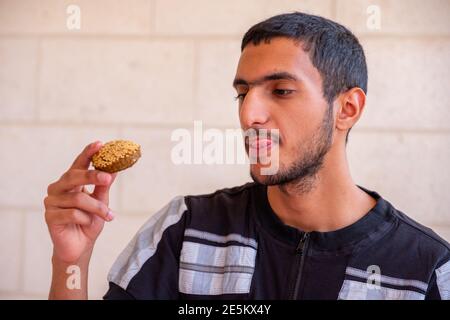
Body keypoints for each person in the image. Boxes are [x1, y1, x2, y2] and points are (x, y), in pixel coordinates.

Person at [44, 12, 450, 300]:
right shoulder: (185, 229)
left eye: (281, 90)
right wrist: (71, 260)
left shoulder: (427, 269)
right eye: (243, 93)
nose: (248, 114)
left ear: (347, 109)